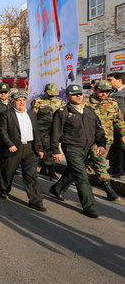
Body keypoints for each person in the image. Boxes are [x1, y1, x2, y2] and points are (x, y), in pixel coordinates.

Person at [50, 84, 106, 218]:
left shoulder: (89, 110)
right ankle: (89, 207)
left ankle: (56, 188)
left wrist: (101, 144)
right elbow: (55, 133)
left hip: (87, 148)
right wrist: (55, 150)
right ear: (68, 97)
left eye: (80, 94)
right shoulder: (62, 112)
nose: (79, 96)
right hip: (71, 147)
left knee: (73, 172)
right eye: (75, 94)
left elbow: (98, 129)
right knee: (82, 176)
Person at [0, 91, 46, 211]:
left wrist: (39, 148)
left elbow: (36, 132)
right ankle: (4, 189)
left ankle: (36, 201)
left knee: (31, 175)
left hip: (30, 148)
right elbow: (2, 131)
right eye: (19, 100)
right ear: (13, 102)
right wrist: (10, 144)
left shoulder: (32, 114)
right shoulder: (6, 114)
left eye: (23, 100)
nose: (22, 102)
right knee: (9, 171)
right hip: (14, 147)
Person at [78, 80, 124, 201]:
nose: (105, 94)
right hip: (90, 139)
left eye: (107, 91)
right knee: (100, 164)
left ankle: (62, 185)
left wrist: (123, 133)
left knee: (91, 166)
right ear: (94, 90)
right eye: (102, 91)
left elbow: (118, 119)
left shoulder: (112, 103)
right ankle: (110, 191)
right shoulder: (84, 103)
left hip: (107, 140)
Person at [31, 83, 65, 180]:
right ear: (45, 91)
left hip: (56, 131)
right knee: (47, 149)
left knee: (50, 149)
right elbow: (33, 117)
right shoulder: (37, 102)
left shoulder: (60, 102)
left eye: (54, 93)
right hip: (43, 131)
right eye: (50, 93)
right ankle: (51, 171)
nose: (52, 95)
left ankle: (44, 169)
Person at [107, 72, 125, 178]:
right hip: (112, 124)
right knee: (113, 146)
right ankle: (113, 167)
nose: (109, 82)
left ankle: (121, 170)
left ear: (119, 80)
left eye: (110, 80)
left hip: (122, 123)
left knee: (122, 147)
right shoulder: (112, 93)